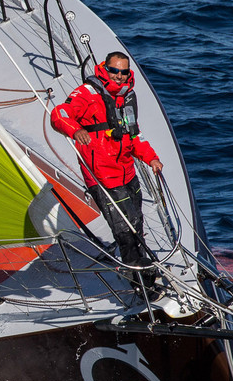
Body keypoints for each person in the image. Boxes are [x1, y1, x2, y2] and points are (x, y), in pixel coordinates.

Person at [50, 51, 165, 298]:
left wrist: (151, 158)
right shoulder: (87, 93)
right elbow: (59, 114)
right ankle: (140, 284)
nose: (119, 76)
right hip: (102, 176)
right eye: (115, 71)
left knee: (136, 223)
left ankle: (143, 267)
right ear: (105, 69)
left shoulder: (126, 96)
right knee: (125, 231)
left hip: (127, 172)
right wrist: (75, 130)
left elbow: (134, 135)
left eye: (124, 72)